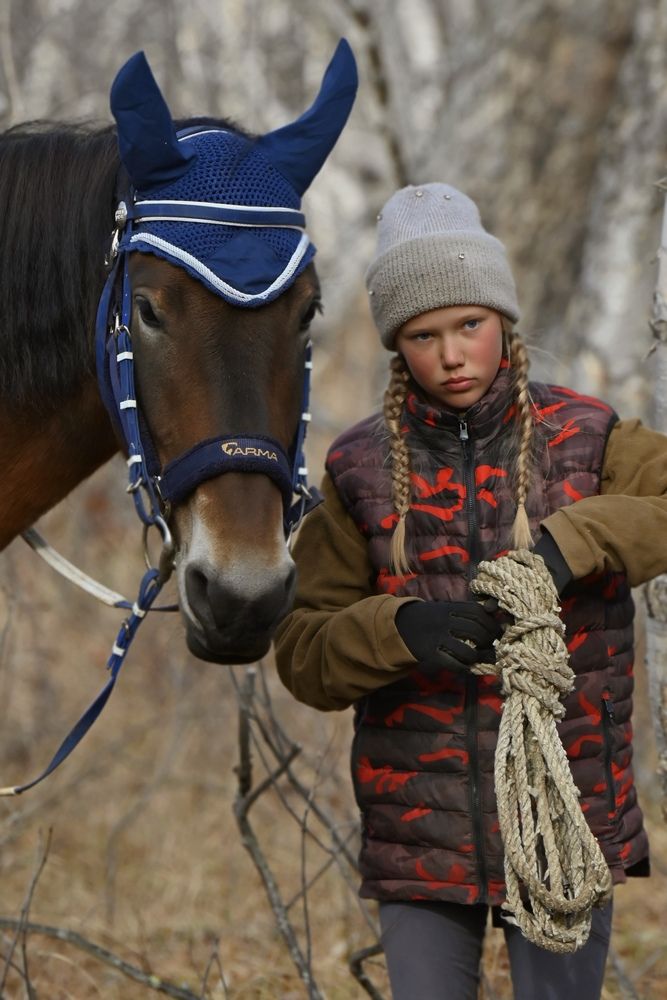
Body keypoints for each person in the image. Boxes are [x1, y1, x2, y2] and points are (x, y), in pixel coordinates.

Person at [274, 182, 667, 999]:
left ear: (502, 322)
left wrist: (572, 543)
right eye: (423, 334)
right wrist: (400, 630)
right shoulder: (357, 470)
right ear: (396, 343)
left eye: (469, 325)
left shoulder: (586, 438)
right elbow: (304, 653)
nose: (451, 355)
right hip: (418, 836)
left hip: (564, 821)